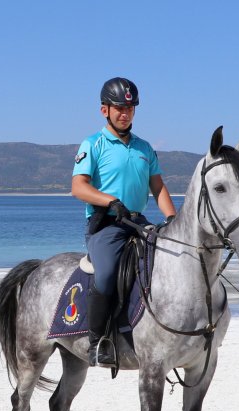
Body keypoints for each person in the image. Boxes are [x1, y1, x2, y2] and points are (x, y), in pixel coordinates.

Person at [71, 77, 177, 367]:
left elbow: (158, 188)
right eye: (119, 108)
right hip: (105, 223)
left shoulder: (145, 148)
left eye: (130, 108)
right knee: (105, 274)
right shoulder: (93, 144)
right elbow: (78, 187)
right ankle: (98, 342)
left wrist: (172, 220)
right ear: (105, 110)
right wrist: (109, 201)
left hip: (137, 221)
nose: (125, 113)